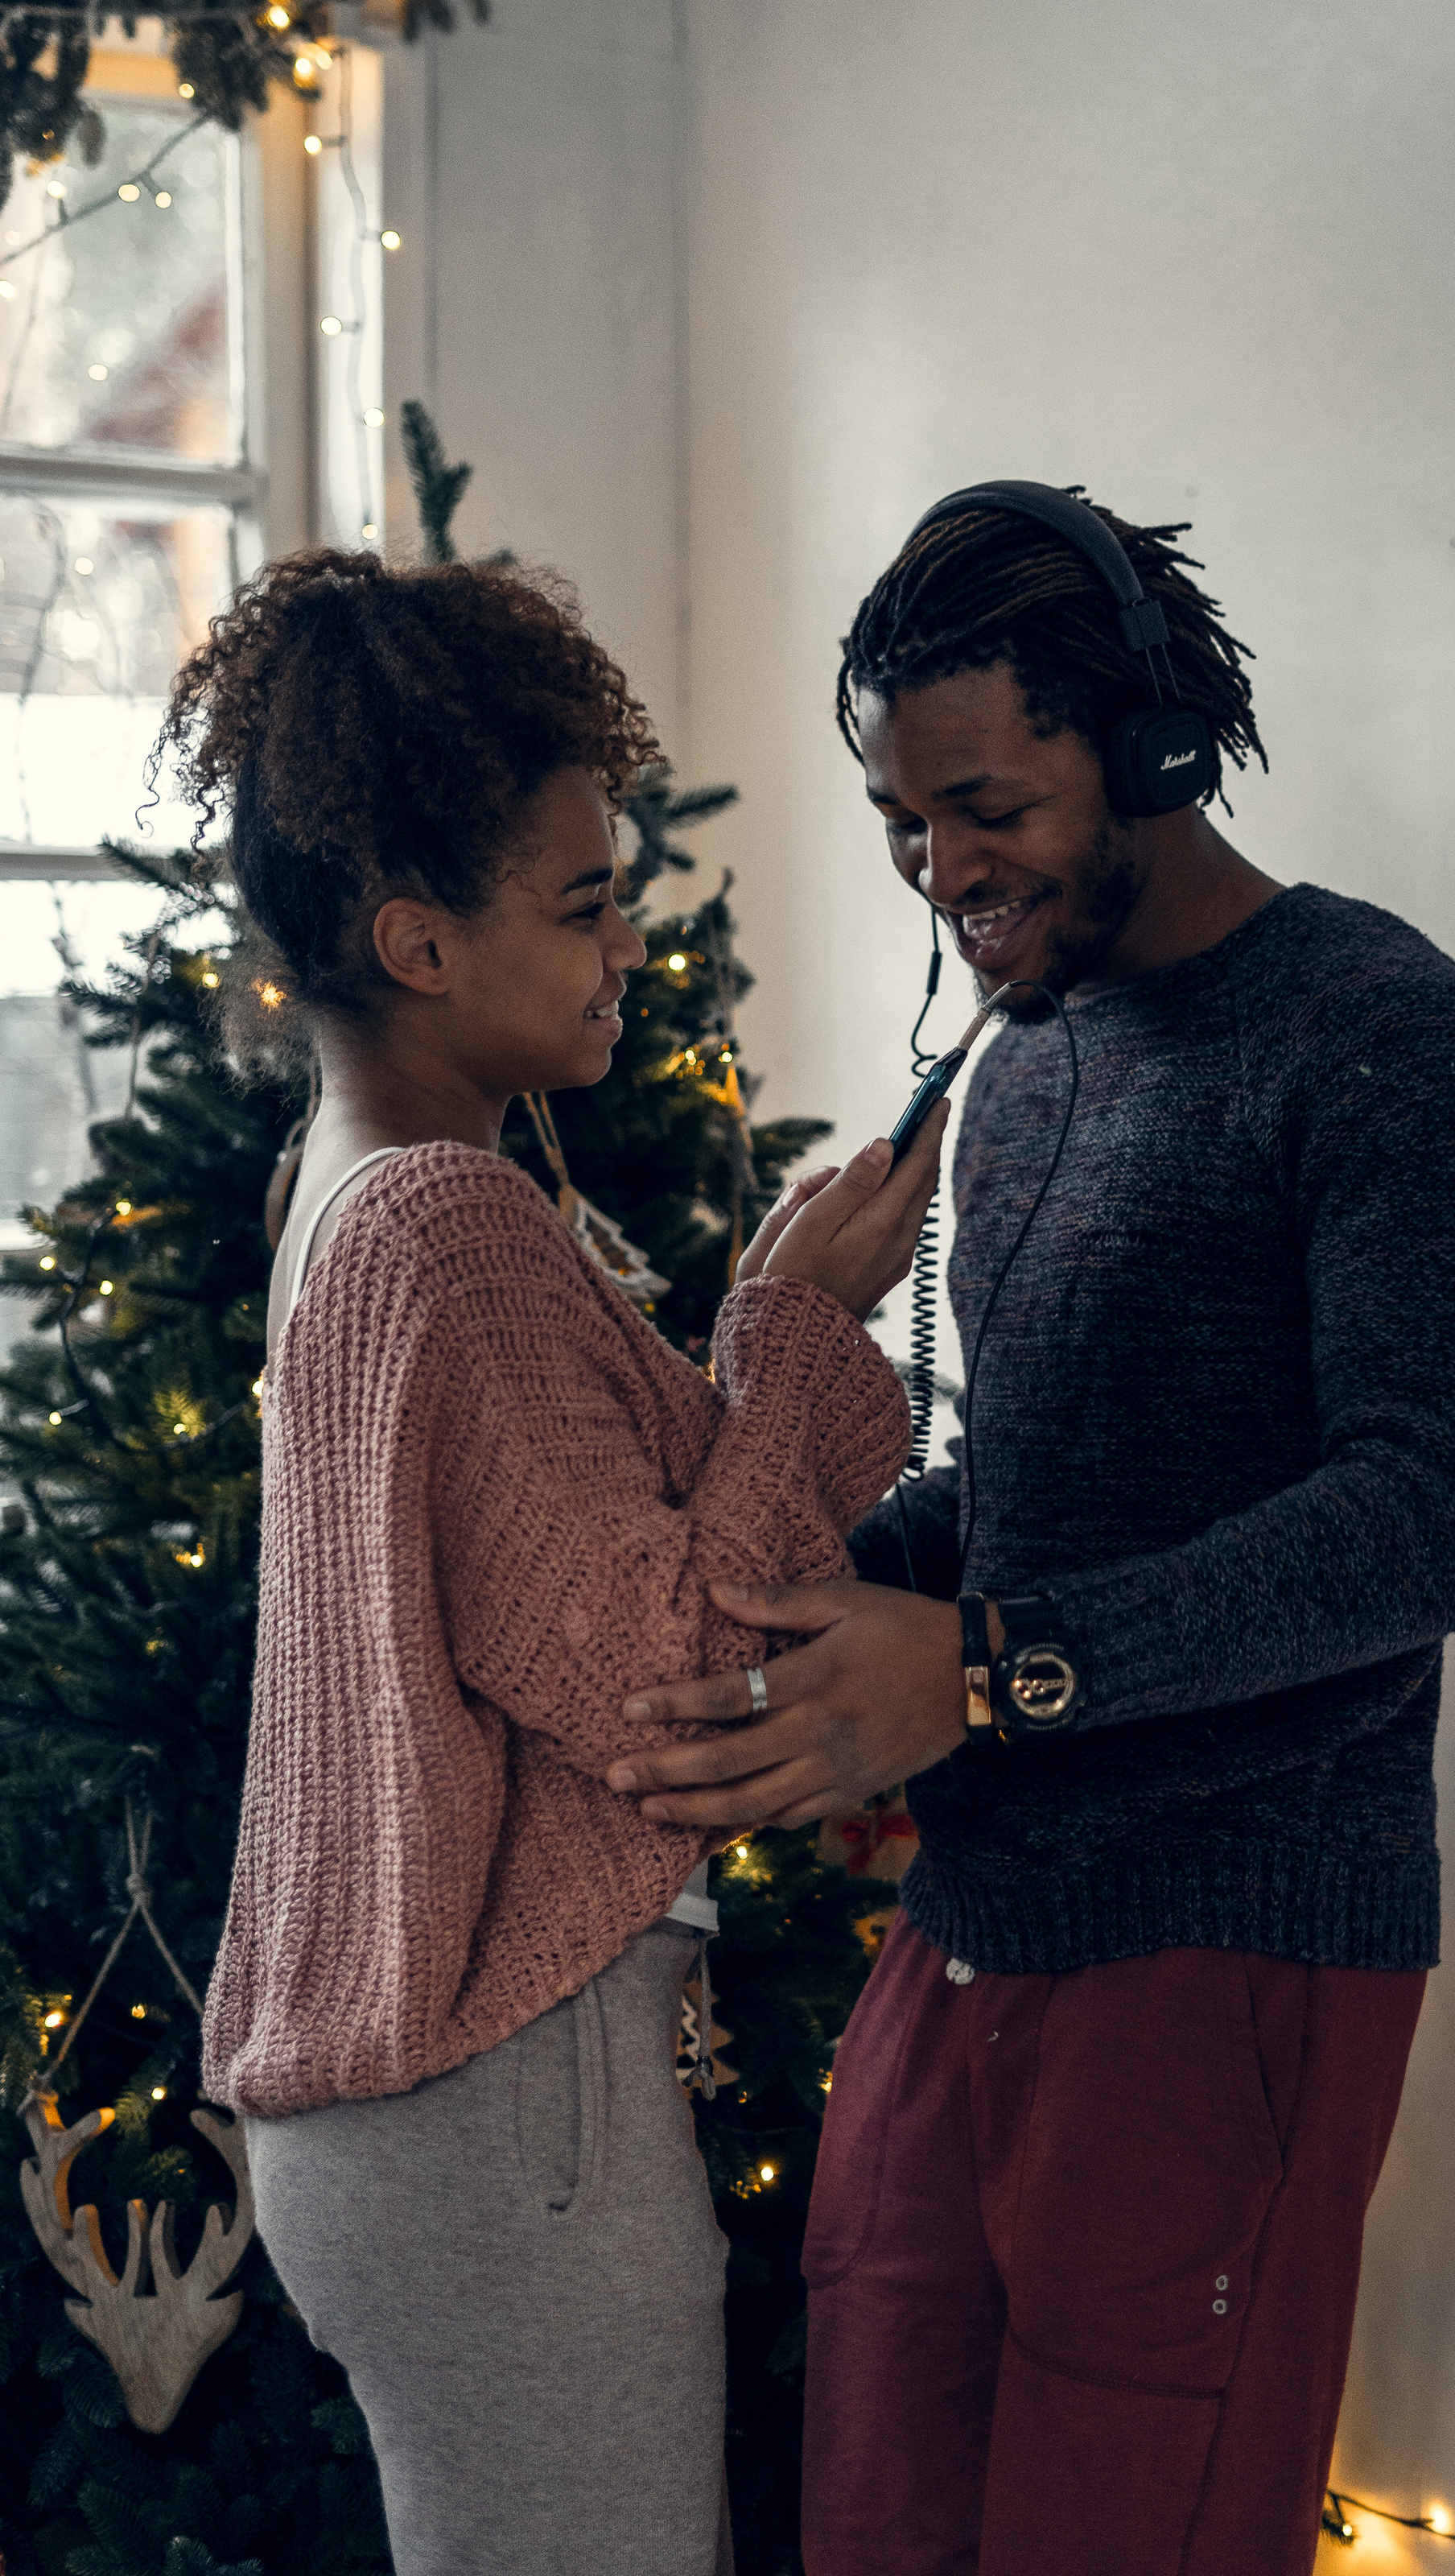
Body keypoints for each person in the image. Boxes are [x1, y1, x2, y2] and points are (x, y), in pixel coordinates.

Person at [604, 487, 1455, 2576]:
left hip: (1235, 1955)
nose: (945, 872)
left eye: (986, 806)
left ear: (1151, 752)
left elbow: (1427, 1521)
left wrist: (989, 1672)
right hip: (967, 1935)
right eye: (899, 824)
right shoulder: (1019, 1075)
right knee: (874, 2523)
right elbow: (1032, 1494)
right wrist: (843, 1602)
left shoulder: (1384, 1033)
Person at [182, 547, 945, 2576]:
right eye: (584, 904)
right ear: (419, 941)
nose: (628, 949)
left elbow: (578, 1561)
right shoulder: (449, 1226)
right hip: (503, 2122)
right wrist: (797, 1332)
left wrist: (772, 1322)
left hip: (409, 2130)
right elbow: (662, 1677)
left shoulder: (345, 1182)